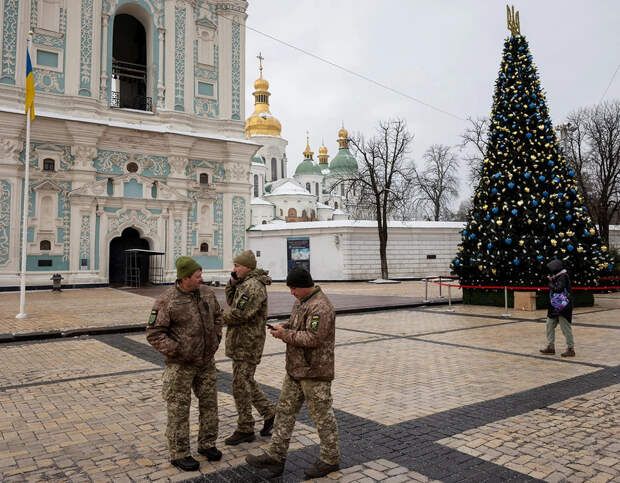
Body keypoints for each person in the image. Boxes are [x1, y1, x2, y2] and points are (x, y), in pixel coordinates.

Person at [246, 266, 340, 479]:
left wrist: (284, 334)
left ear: (304, 286)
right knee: (284, 413)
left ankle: (330, 459)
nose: (291, 293)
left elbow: (313, 338)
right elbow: (298, 324)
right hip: (296, 371)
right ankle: (275, 456)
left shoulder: (320, 307)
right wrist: (284, 325)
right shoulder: (303, 302)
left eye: (293, 288)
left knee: (322, 418)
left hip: (314, 373)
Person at [146, 256, 223, 472]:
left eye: (201, 275)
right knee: (179, 409)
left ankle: (207, 444)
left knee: (210, 405)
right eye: (197, 276)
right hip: (181, 366)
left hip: (206, 362)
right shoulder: (166, 300)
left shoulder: (207, 293)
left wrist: (216, 339)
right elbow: (154, 333)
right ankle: (179, 453)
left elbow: (218, 316)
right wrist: (179, 351)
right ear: (184, 278)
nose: (202, 279)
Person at [222, 250, 276, 445]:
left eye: (237, 266)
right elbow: (232, 301)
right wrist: (232, 282)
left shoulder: (253, 286)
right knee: (246, 381)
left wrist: (215, 318)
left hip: (248, 342)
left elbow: (239, 314)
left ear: (247, 267)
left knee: (240, 385)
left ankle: (245, 428)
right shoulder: (244, 283)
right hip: (242, 341)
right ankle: (270, 413)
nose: (234, 268)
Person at [540, 259, 575, 357]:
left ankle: (570, 348)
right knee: (549, 324)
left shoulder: (563, 276)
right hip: (554, 306)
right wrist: (552, 281)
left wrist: (550, 284)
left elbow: (558, 289)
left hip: (563, 306)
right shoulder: (557, 277)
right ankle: (551, 347)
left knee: (565, 327)